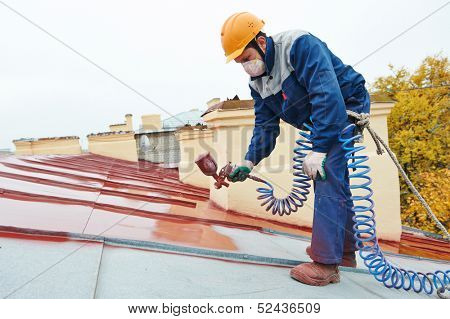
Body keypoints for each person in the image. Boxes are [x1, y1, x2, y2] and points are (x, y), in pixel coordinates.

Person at [221, 12, 371, 286]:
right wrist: (249, 161)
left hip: (345, 105)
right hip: (320, 117)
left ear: (262, 43)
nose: (246, 66)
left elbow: (327, 94)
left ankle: (326, 264)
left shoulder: (300, 46)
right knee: (335, 176)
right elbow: (266, 127)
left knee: (325, 173)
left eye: (247, 58)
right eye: (240, 62)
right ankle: (345, 253)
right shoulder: (258, 83)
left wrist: (320, 148)